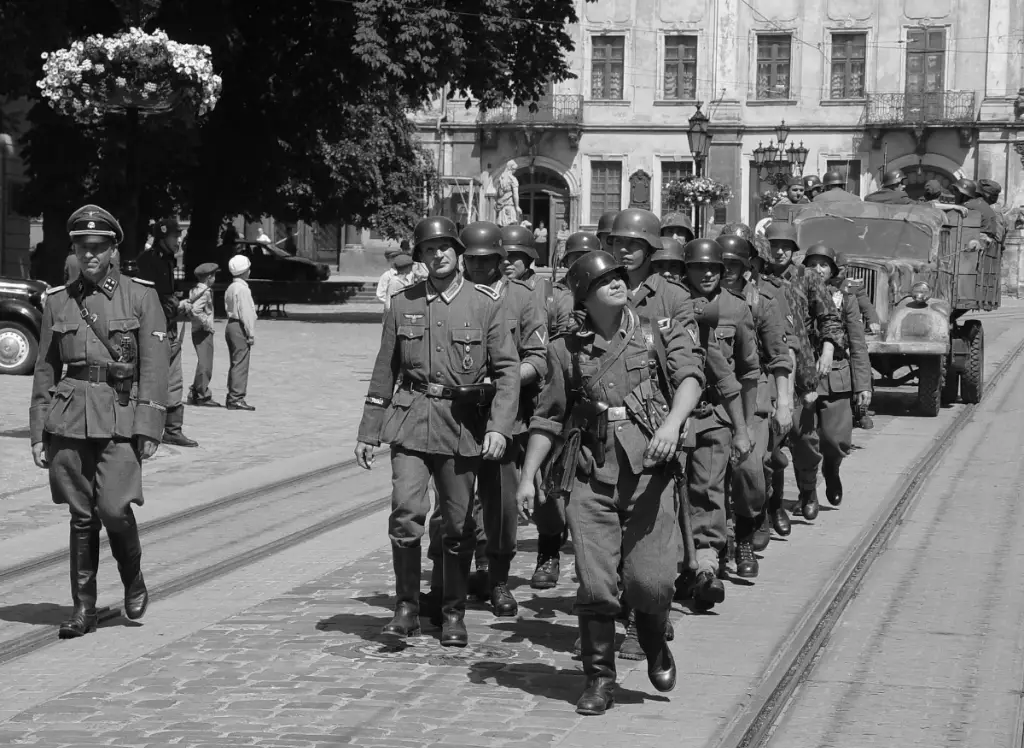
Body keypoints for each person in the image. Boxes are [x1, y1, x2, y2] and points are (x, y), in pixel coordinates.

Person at [517, 250, 705, 715]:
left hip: (650, 478)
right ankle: (599, 678)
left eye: (620, 276)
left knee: (653, 584)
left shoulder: (657, 333)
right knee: (596, 585)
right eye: (605, 280)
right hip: (591, 476)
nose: (618, 283)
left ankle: (655, 642)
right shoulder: (565, 349)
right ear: (584, 295)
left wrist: (671, 426)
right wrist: (527, 478)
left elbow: (691, 379)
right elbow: (549, 418)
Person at [354, 216, 520, 649]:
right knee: (405, 513)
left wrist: (500, 426)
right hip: (410, 422)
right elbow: (383, 371)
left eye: (446, 247)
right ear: (421, 256)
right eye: (430, 249)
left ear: (459, 253)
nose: (439, 254)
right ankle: (406, 607)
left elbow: (506, 373)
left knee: (457, 523)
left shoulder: (485, 305)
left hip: (461, 425)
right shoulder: (402, 303)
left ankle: (452, 611)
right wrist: (369, 431)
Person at [29, 204, 168, 639]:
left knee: (113, 507)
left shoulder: (140, 296)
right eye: (82, 246)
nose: (89, 254)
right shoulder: (57, 300)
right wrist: (38, 431)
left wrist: (149, 426)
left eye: (98, 247)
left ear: (113, 251)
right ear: (73, 249)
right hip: (69, 417)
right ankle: (83, 608)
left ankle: (133, 577)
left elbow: (156, 366)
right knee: (81, 514)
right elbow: (46, 369)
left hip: (122, 415)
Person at [422, 221, 546, 619]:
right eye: (471, 260)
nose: (478, 267)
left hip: (503, 416)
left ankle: (498, 578)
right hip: (455, 418)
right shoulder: (451, 297)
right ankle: (449, 577)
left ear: (501, 260)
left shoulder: (523, 299)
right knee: (450, 503)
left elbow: (537, 358)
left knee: (501, 505)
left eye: (487, 260)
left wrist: (503, 381)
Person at [678, 239, 761, 584]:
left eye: (714, 268)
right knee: (677, 490)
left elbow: (748, 370)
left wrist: (746, 425)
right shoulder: (674, 303)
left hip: (716, 413)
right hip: (677, 413)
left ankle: (708, 562)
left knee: (710, 487)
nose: (707, 273)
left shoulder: (737, 308)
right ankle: (683, 559)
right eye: (699, 267)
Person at [717, 234, 793, 566]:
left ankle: (747, 531)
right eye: (723, 264)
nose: (728, 270)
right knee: (709, 475)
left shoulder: (762, 301)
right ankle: (717, 546)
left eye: (736, 263)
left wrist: (785, 402)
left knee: (750, 469)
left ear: (749, 266)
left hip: (754, 389)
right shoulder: (700, 299)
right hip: (712, 390)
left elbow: (779, 357)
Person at [762, 222, 845, 521]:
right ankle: (775, 505)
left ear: (794, 250)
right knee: (773, 439)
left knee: (804, 436)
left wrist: (828, 349)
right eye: (774, 245)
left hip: (804, 369)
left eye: (786, 245)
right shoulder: (757, 278)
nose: (780, 250)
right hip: (768, 365)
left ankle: (808, 489)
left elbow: (829, 318)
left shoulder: (806, 277)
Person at [801, 244, 872, 507]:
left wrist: (863, 385)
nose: (818, 269)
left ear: (832, 269)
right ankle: (807, 490)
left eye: (824, 264)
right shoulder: (797, 292)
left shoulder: (845, 297)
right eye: (813, 263)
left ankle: (832, 469)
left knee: (837, 439)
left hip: (837, 377)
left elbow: (857, 343)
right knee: (805, 440)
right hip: (804, 374)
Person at [136, 218, 199, 448]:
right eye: (174, 236)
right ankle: (144, 427)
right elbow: (149, 298)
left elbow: (167, 295)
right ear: (162, 237)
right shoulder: (148, 261)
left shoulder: (169, 260)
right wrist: (176, 305)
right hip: (153, 331)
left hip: (169, 327)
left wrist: (178, 304)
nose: (178, 240)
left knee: (174, 379)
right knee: (151, 380)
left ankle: (173, 429)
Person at [223, 255, 258, 411]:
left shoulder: (231, 287)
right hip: (239, 326)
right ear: (245, 271)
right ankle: (236, 397)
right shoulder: (243, 289)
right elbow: (247, 313)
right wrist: (250, 333)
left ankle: (232, 394)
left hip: (230, 324)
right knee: (241, 362)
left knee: (235, 362)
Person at [186, 262, 220, 407]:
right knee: (205, 364)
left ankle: (195, 391)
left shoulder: (195, 290)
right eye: (214, 276)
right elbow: (196, 310)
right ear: (209, 277)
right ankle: (201, 394)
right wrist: (206, 324)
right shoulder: (205, 292)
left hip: (197, 330)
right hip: (202, 331)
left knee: (203, 362)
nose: (215, 279)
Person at [978, 179, 1008, 244]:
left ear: (987, 195)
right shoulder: (990, 208)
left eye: (980, 195)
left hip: (990, 250)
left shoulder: (993, 210)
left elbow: (998, 237)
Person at [495, 160, 522, 227]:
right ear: (512, 169)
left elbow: (498, 194)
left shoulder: (501, 178)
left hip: (501, 208)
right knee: (510, 228)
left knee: (502, 228)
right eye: (515, 169)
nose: (515, 171)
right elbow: (515, 194)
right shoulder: (512, 179)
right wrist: (517, 206)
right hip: (510, 206)